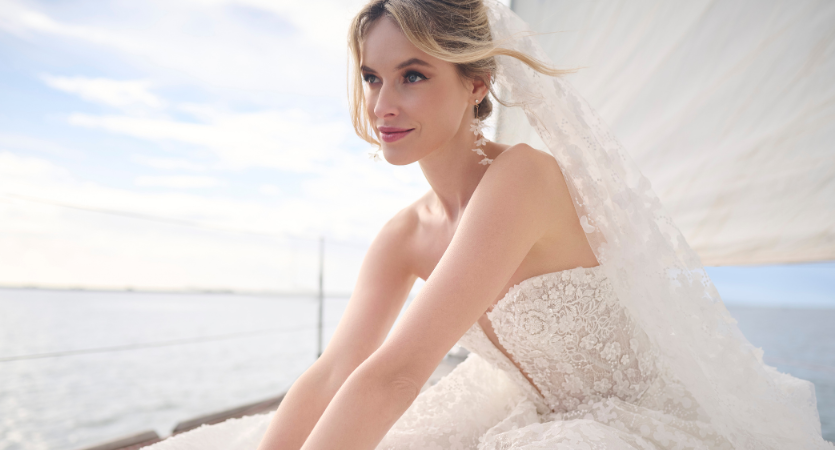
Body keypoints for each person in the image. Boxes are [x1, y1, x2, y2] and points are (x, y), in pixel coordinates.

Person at [144, 1, 833, 449]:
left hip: (634, 421)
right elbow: (337, 371)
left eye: (412, 74)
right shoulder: (403, 235)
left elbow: (399, 370)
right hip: (518, 406)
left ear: (476, 85)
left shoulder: (524, 177)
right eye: (371, 77)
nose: (384, 102)